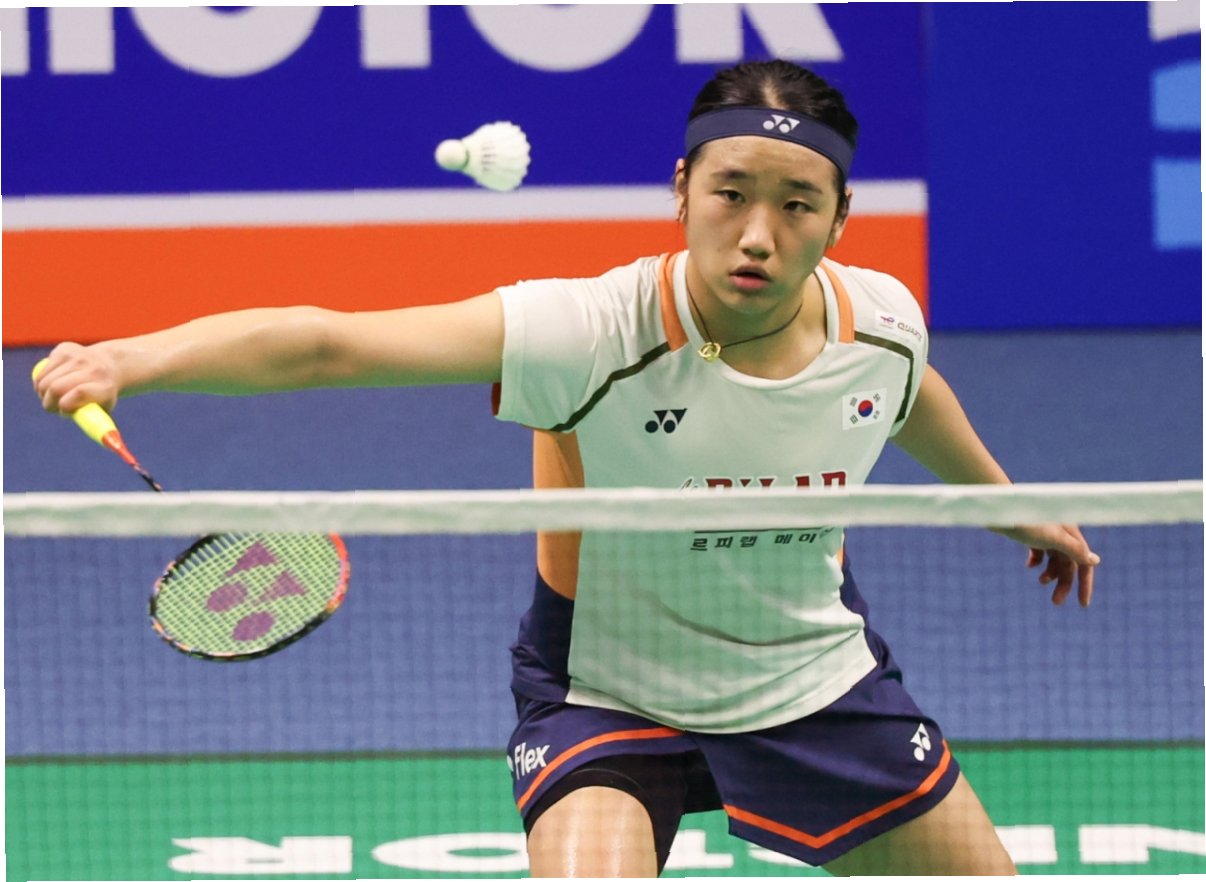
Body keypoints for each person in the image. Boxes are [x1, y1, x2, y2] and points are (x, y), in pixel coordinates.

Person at [34, 60, 1098, 876]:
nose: (757, 236)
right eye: (731, 193)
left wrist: (1014, 508)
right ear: (682, 189)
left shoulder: (883, 324)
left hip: (811, 679)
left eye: (796, 204)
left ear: (839, 218)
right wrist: (131, 359)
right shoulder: (588, 331)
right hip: (608, 690)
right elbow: (329, 344)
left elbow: (912, 397)